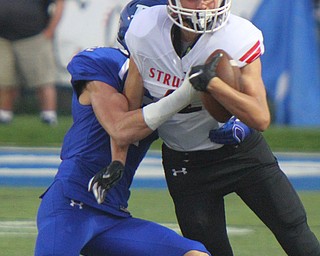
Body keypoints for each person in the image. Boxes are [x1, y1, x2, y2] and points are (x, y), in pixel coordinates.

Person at [102, 0, 319, 255]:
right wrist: (118, 161)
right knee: (209, 251)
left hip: (241, 154)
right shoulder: (144, 31)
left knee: (294, 229)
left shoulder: (238, 35)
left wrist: (214, 85)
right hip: (186, 162)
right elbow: (130, 114)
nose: (206, 2)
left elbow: (260, 117)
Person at [34, 1, 211, 255]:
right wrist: (183, 95)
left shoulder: (170, 79)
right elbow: (120, 127)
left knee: (194, 254)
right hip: (72, 204)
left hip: (114, 214)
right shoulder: (104, 63)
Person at [0, 0, 64, 125]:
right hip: (3, 38)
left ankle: (49, 116)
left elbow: (60, 3)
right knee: (5, 80)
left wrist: (50, 30)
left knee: (43, 80)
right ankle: (4, 115)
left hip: (33, 36)